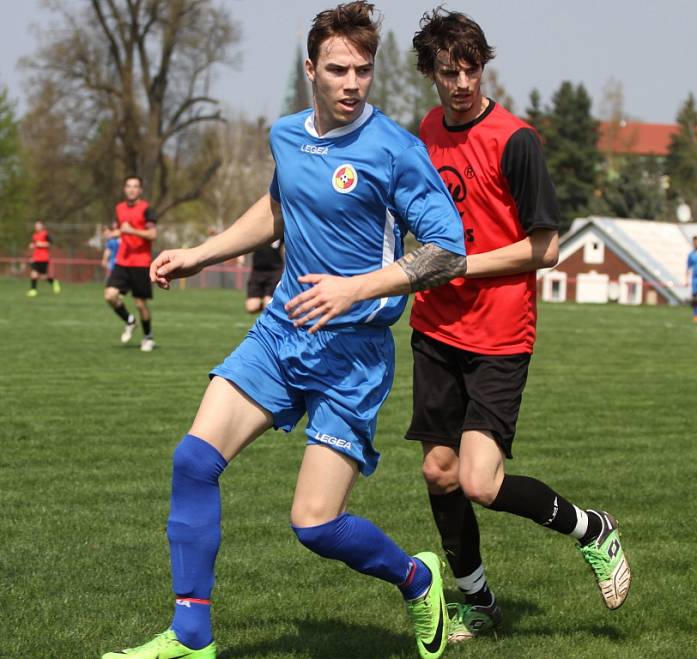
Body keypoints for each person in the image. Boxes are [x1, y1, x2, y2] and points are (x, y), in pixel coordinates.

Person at [101, 3, 465, 659]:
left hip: (353, 357)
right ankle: (191, 639)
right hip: (280, 335)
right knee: (193, 461)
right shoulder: (286, 135)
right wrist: (202, 253)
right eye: (337, 70)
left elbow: (448, 250)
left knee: (315, 524)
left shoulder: (394, 149)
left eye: (362, 70)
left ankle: (417, 577)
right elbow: (277, 207)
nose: (352, 83)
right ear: (310, 70)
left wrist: (354, 287)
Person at [406, 8, 631, 643]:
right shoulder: (425, 131)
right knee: (438, 473)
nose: (461, 83)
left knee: (480, 481)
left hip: (500, 333)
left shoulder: (515, 139)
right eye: (448, 71)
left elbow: (547, 247)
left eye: (471, 69)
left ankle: (593, 529)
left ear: (484, 67)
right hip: (436, 327)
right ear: (430, 73)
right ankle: (479, 604)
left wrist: (461, 264)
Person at [104, 176, 158, 352]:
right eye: (129, 186)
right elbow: (122, 230)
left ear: (140, 190)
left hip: (141, 263)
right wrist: (115, 233)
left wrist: (131, 231)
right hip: (122, 260)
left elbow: (152, 235)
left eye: (135, 186)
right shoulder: (119, 208)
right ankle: (129, 321)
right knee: (110, 296)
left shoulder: (147, 209)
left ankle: (148, 337)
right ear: (124, 188)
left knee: (140, 304)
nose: (132, 189)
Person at [245, 239, 284, 313]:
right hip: (258, 270)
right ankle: (264, 303)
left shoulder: (281, 231)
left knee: (268, 304)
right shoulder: (257, 230)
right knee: (251, 308)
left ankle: (269, 304)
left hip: (275, 271)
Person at [26, 221, 61, 297]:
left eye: (38, 226)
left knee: (43, 276)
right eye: (36, 226)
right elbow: (35, 246)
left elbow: (50, 243)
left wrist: (41, 244)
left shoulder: (45, 234)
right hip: (36, 258)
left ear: (42, 226)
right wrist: (32, 248)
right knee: (33, 274)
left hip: (44, 258)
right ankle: (33, 290)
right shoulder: (34, 235)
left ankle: (54, 282)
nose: (37, 227)